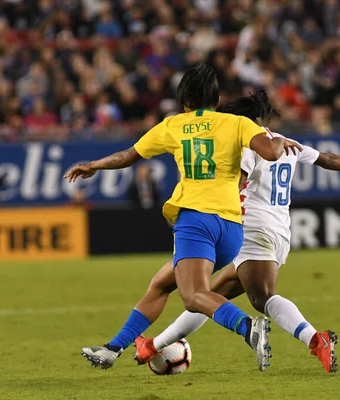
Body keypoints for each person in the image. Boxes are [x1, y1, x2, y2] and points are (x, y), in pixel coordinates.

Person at [64, 63, 302, 371]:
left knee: (193, 296)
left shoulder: (174, 125)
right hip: (231, 228)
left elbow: (129, 156)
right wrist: (280, 141)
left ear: (184, 102)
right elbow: (271, 153)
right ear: (216, 100)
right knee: (162, 283)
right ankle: (113, 348)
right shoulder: (235, 124)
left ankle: (247, 327)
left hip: (196, 221)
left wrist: (95, 164)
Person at [133, 92, 340, 373]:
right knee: (207, 296)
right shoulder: (284, 142)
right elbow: (326, 159)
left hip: (253, 227)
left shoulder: (248, 146)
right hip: (279, 232)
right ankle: (152, 345)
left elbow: (235, 182)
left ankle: (316, 339)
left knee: (262, 297)